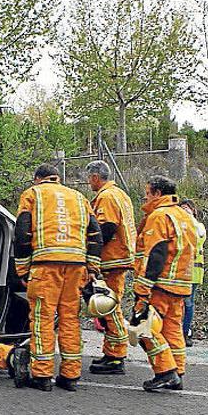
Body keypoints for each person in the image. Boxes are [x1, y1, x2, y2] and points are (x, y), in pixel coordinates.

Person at [14, 164, 103, 392]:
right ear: (57, 178)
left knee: (42, 318)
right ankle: (70, 375)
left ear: (37, 179)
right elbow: (95, 233)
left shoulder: (32, 194)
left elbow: (22, 232)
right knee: (70, 319)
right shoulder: (79, 197)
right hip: (75, 267)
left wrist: (22, 269)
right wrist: (92, 267)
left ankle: (42, 375)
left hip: (45, 266)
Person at [131, 175, 197, 391]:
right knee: (172, 330)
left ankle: (165, 371)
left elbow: (155, 255)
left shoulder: (159, 216)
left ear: (158, 194)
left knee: (143, 327)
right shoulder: (184, 216)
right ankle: (177, 372)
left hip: (160, 284)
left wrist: (143, 290)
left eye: (148, 193)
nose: (145, 196)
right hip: (180, 284)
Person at [84, 160, 136, 374]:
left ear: (96, 177)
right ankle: (111, 353)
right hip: (120, 257)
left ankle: (116, 356)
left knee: (109, 308)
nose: (88, 183)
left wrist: (91, 255)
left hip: (111, 259)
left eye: (89, 179)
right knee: (108, 308)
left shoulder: (106, 197)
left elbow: (106, 228)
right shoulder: (120, 194)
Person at [180, 199, 206, 348]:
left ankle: (185, 333)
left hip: (194, 272)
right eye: (182, 208)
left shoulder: (198, 226)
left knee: (188, 303)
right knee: (178, 304)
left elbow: (198, 237)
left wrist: (189, 218)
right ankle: (177, 332)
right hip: (179, 271)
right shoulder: (178, 225)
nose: (185, 211)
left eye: (187, 208)